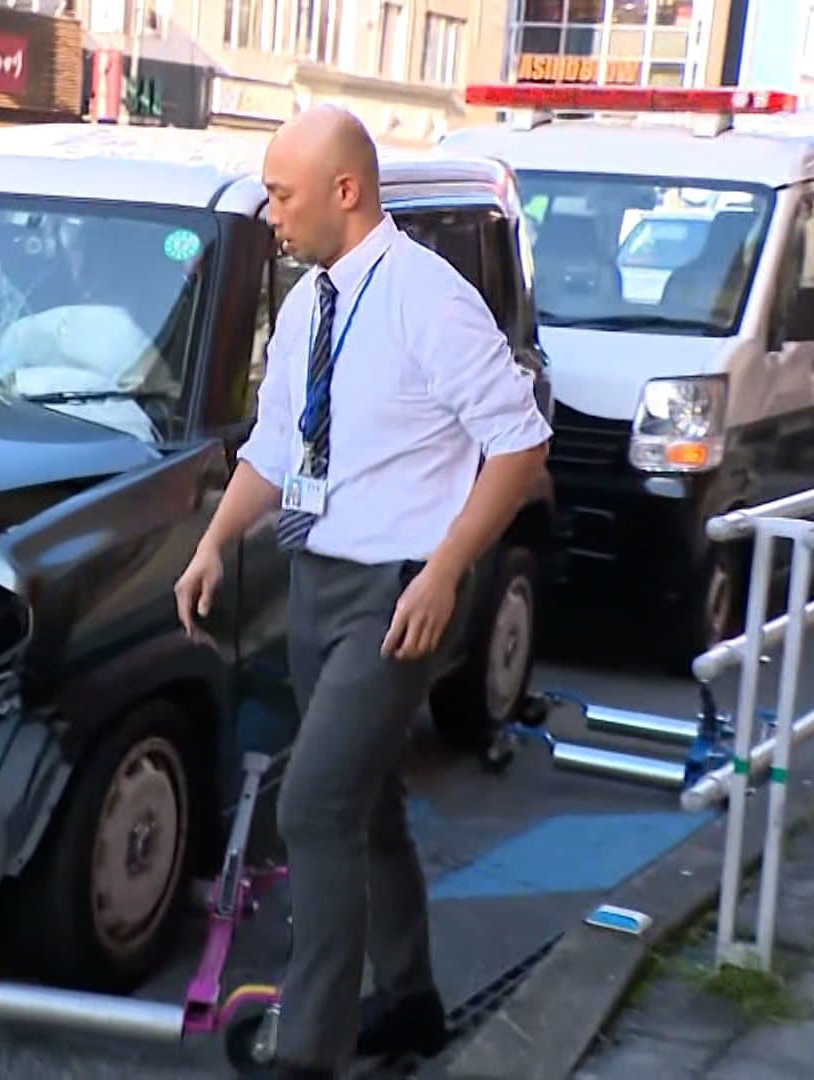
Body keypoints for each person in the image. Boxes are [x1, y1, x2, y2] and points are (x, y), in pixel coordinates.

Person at [172, 108, 550, 1078]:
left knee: (314, 806)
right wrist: (216, 539)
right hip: (318, 578)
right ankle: (412, 1000)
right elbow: (274, 450)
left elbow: (519, 442)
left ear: (346, 190)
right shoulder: (309, 305)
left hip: (397, 592)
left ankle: (309, 1048)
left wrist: (446, 569)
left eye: (284, 194)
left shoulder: (429, 298)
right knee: (369, 802)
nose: (271, 212)